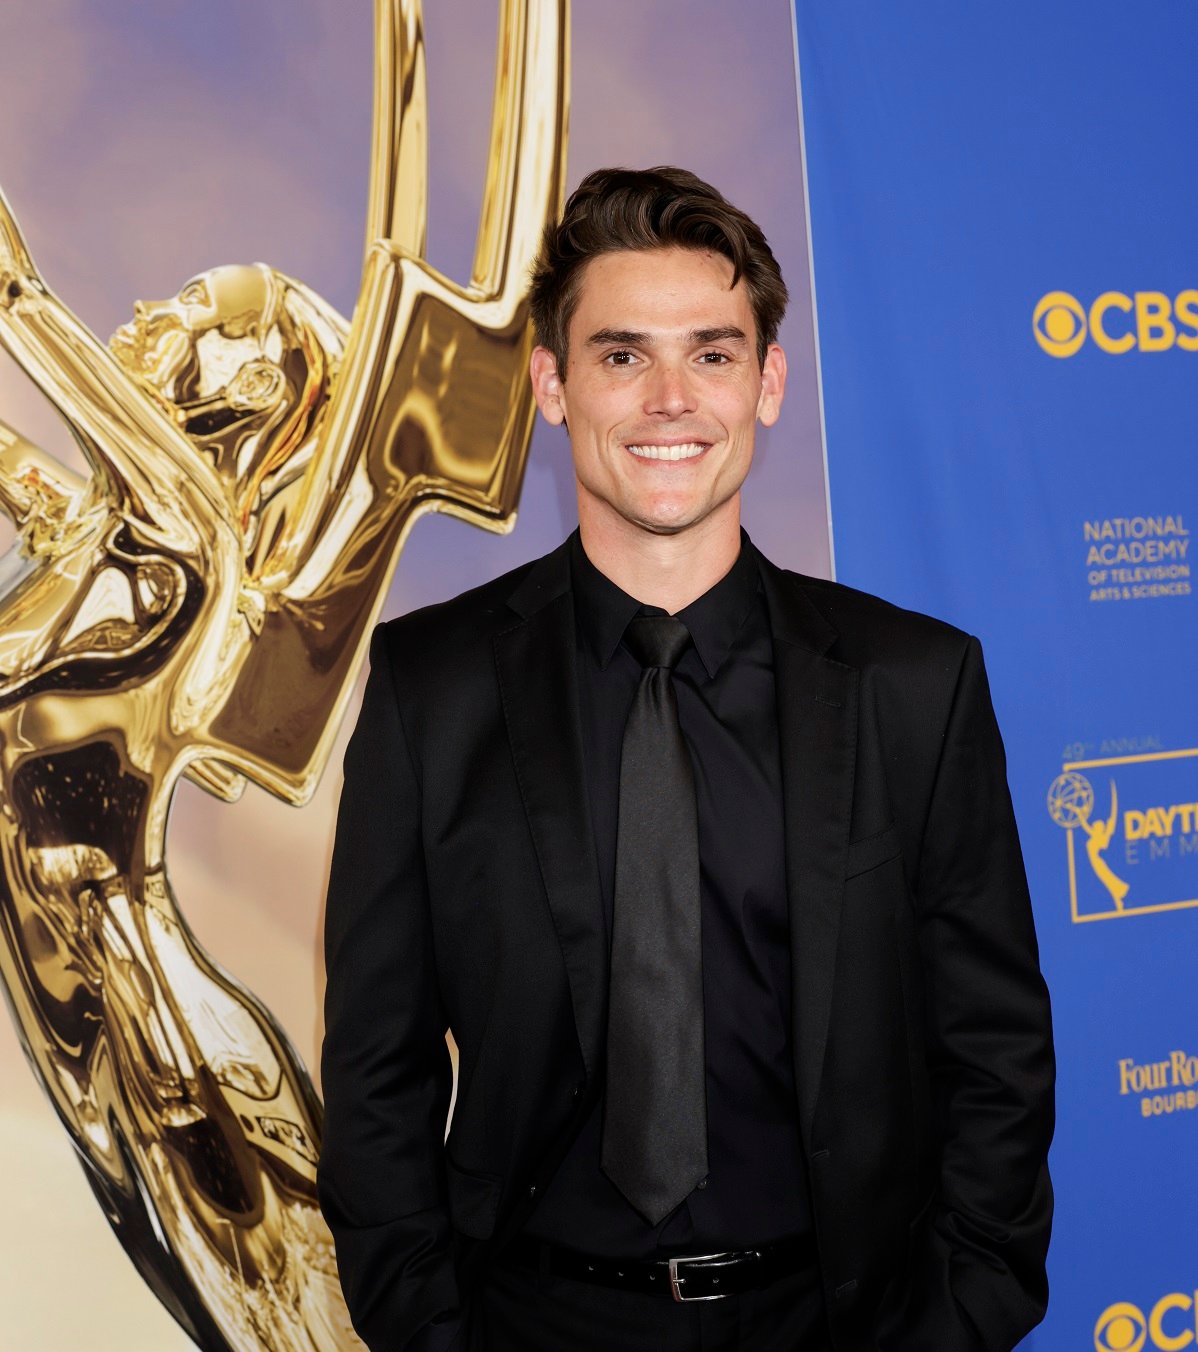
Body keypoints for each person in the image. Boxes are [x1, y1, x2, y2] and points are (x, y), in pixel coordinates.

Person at [318, 166, 1055, 1352]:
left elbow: (994, 1049)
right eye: (620, 356)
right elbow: (373, 1065)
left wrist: (958, 1313)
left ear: (767, 381)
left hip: (843, 1322)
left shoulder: (912, 686)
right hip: (532, 1323)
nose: (670, 400)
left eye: (711, 354)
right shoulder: (430, 687)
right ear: (553, 386)